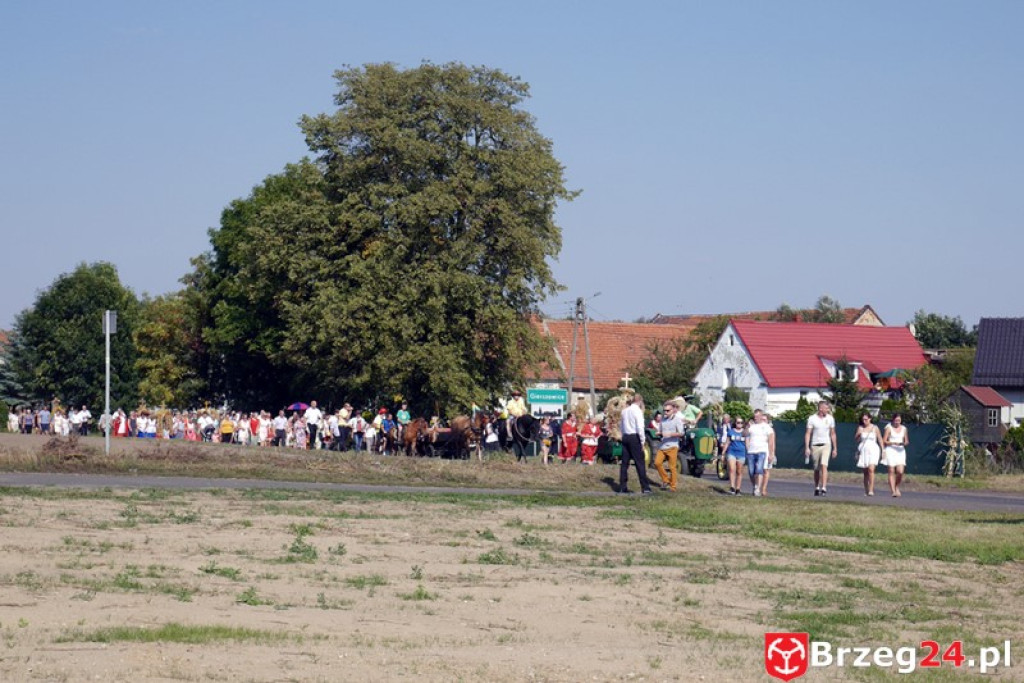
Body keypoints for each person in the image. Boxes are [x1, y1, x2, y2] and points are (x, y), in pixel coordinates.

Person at [619, 394, 652, 495]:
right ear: (640, 401)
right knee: (639, 463)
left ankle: (622, 486)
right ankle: (645, 487)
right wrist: (642, 441)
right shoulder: (637, 411)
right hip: (635, 437)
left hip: (625, 436)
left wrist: (623, 435)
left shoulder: (624, 411)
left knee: (624, 463)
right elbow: (640, 427)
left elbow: (621, 426)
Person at [804, 401, 837, 497]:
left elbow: (833, 433)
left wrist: (835, 448)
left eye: (828, 408)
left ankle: (824, 487)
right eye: (826, 408)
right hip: (815, 445)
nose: (827, 410)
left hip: (826, 444)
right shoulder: (812, 419)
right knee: (816, 468)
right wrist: (807, 447)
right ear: (820, 408)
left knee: (824, 465)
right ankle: (817, 487)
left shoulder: (830, 419)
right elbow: (808, 433)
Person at [654, 400, 685, 492]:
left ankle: (673, 487)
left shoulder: (677, 420)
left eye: (668, 411)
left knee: (672, 467)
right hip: (663, 445)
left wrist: (670, 434)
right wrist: (659, 433)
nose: (666, 412)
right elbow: (660, 431)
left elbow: (681, 433)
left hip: (673, 446)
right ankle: (665, 480)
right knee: (657, 463)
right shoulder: (662, 420)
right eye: (664, 411)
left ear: (672, 410)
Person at [745, 409, 775, 497]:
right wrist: (746, 427)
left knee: (759, 469)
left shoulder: (767, 427)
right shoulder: (752, 426)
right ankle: (755, 486)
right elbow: (744, 434)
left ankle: (758, 489)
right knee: (751, 472)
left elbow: (771, 441)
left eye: (757, 416)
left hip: (762, 451)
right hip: (751, 451)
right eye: (754, 416)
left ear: (761, 416)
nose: (755, 418)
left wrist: (771, 453)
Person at [855, 412, 884, 496]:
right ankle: (866, 489)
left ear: (870, 419)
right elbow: (856, 439)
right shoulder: (860, 428)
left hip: (873, 449)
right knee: (865, 471)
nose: (864, 421)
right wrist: (858, 434)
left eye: (866, 419)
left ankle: (871, 490)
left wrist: (883, 450)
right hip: (864, 450)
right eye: (863, 419)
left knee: (871, 469)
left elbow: (880, 439)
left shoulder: (875, 428)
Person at [883, 414, 909, 497]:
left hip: (900, 451)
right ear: (893, 420)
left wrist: (903, 443)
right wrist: (893, 443)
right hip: (890, 450)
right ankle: (893, 491)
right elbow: (884, 440)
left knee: (900, 472)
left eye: (899, 420)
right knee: (891, 470)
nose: (897, 422)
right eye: (896, 420)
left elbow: (907, 441)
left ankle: (896, 485)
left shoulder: (904, 429)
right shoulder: (888, 428)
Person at [723, 416, 747, 495]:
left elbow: (747, 443)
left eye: (741, 423)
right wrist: (723, 452)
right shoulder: (731, 431)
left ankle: (738, 489)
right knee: (732, 469)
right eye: (738, 422)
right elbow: (727, 442)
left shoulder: (745, 432)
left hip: (741, 453)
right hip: (732, 452)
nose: (739, 424)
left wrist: (749, 452)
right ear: (735, 423)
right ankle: (732, 487)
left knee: (739, 471)